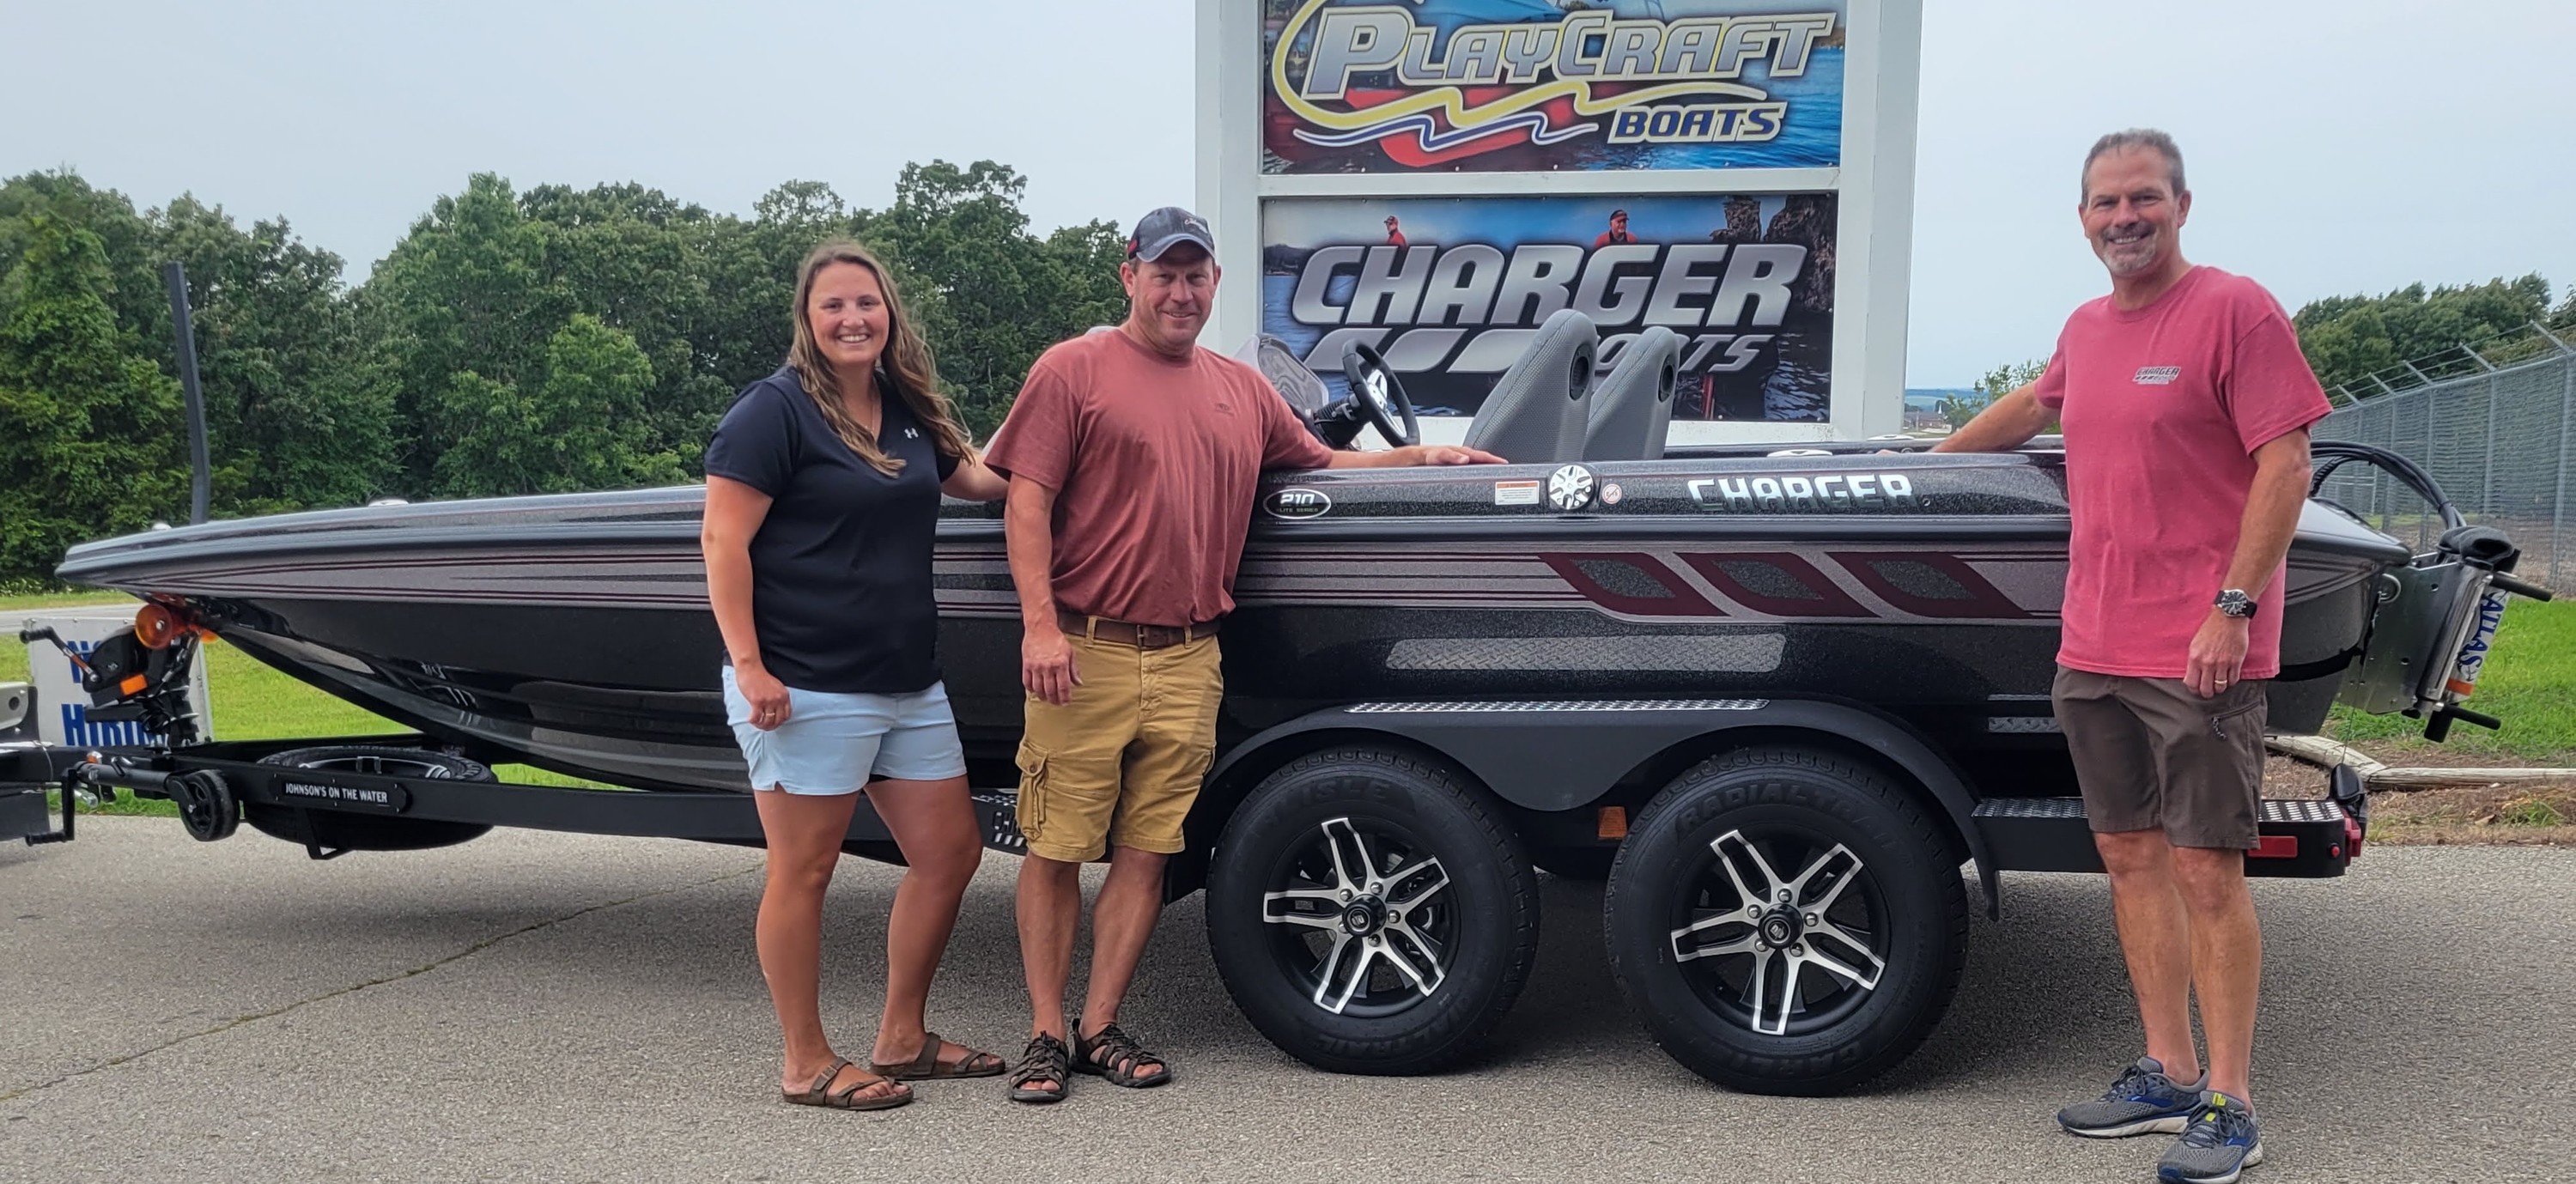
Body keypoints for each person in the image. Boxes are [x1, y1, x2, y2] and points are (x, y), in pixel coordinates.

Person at [981, 206, 1501, 1103]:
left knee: (1147, 850)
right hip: (1088, 649)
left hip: (1191, 658)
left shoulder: (1241, 389)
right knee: (1057, 847)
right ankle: (1040, 1029)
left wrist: (1426, 456)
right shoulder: (1073, 369)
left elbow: (1323, 462)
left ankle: (1100, 1023)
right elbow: (1024, 503)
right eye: (1164, 273)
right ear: (1129, 275)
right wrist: (1039, 626)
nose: (1180, 291)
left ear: (1215, 284)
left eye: (1196, 275)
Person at [1937, 131, 2329, 1183]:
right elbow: (2035, 402)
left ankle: (2231, 1102)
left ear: (2182, 205)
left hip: (2198, 648)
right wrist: (1926, 469)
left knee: (2207, 868)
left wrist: (2234, 607)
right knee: (2128, 858)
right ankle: (2164, 1064)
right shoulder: (2086, 327)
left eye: (2143, 198)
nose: (2125, 217)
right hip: (2095, 643)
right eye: (2107, 202)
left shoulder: (2234, 309)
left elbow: (2287, 462)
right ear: (2083, 219)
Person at [702, 241, 1014, 1113]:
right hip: (805, 683)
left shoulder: (907, 405)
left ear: (890, 313)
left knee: (950, 852)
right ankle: (805, 1059)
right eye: (835, 305)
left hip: (906, 681)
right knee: (805, 869)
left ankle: (901, 1037)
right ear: (807, 316)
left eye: (867, 304)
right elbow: (722, 541)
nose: (853, 319)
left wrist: (1067, 453)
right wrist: (752, 664)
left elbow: (981, 479)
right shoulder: (774, 412)